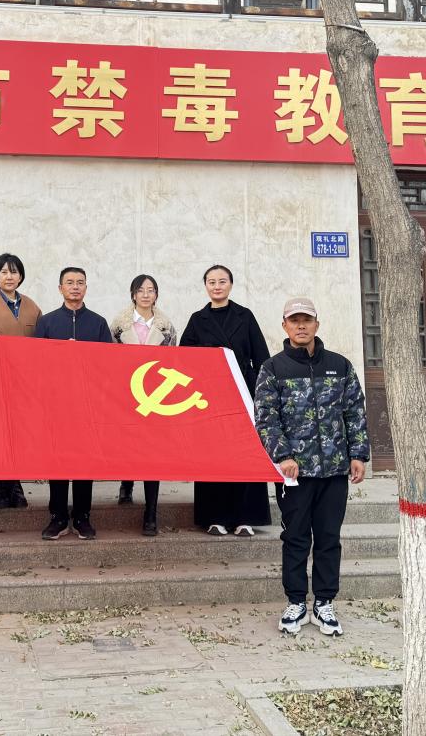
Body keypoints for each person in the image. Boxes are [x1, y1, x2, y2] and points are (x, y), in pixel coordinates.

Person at [254, 296, 369, 639]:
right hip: (295, 474)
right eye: (295, 320)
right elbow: (266, 419)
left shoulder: (339, 366)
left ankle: (324, 602)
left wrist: (358, 454)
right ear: (285, 326)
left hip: (334, 470)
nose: (301, 326)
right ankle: (295, 602)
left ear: (317, 324)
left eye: (307, 320)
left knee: (329, 538)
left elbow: (355, 412)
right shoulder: (273, 369)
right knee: (295, 538)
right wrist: (283, 456)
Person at [178, 264, 272, 537]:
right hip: (209, 397)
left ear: (230, 284)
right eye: (212, 282)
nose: (217, 286)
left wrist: (261, 394)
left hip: (243, 393)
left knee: (245, 454)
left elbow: (262, 358)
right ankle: (214, 516)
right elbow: (183, 359)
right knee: (214, 455)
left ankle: (246, 518)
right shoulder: (198, 320)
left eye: (222, 281)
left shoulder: (245, 316)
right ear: (205, 286)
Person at [33, 266, 112, 540]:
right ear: (60, 288)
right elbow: (36, 362)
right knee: (57, 460)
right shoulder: (47, 322)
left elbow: (108, 364)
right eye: (69, 282)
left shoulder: (98, 323)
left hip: (87, 404)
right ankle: (57, 516)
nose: (75, 287)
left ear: (86, 288)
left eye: (80, 283)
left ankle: (82, 516)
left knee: (84, 461)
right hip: (56, 404)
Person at [0, 252, 42, 509]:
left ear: (20, 276)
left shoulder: (32, 307)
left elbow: (42, 340)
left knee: (19, 435)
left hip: (25, 381)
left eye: (13, 272)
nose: (9, 277)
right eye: (3, 272)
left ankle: (15, 486)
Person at [109, 273, 178, 537]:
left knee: (153, 452)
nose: (146, 294)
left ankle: (151, 512)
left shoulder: (167, 328)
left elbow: (173, 361)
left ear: (156, 294)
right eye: (141, 290)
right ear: (133, 294)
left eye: (151, 290)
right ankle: (126, 483)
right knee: (127, 444)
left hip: (155, 395)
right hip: (126, 394)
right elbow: (109, 360)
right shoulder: (118, 326)